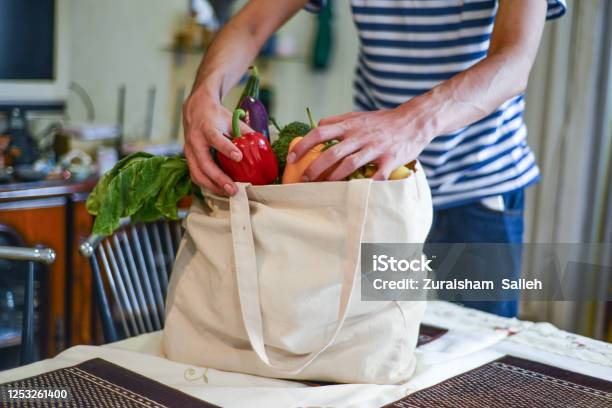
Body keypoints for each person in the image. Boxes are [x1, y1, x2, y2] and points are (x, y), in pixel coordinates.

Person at [182, 0, 567, 317]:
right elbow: (251, 25)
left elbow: (515, 59)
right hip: (376, 191)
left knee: (476, 364)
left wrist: (410, 123)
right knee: (369, 350)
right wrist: (204, 93)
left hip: (479, 188)